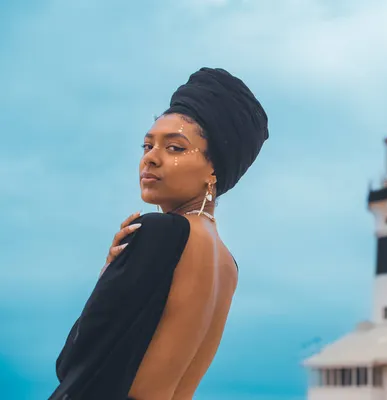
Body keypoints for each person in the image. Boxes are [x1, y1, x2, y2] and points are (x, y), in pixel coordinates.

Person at [49, 67, 269, 400]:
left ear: (214, 167)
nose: (150, 158)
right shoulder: (228, 266)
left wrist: (108, 272)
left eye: (175, 148)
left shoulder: (160, 233)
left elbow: (72, 362)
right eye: (147, 145)